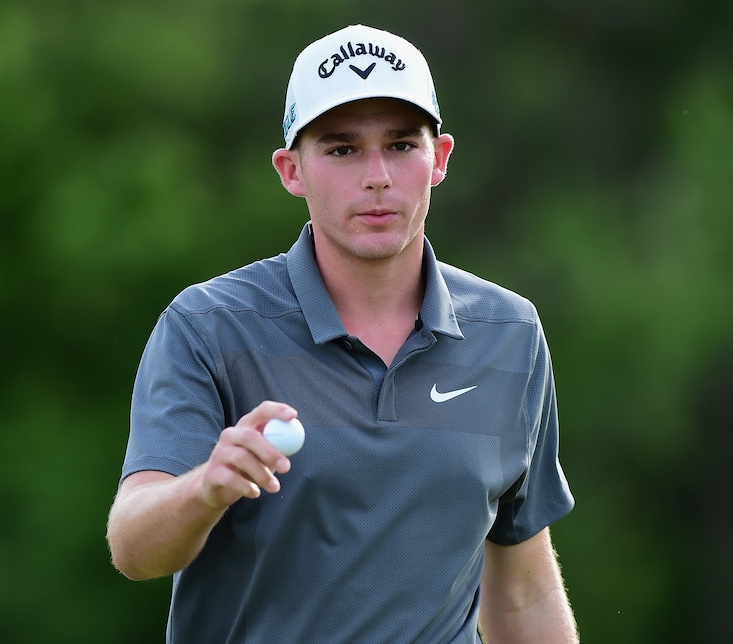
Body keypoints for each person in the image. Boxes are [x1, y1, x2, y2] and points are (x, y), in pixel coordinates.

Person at [107, 23, 577, 643]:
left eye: (401, 145)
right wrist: (205, 488)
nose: (377, 175)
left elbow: (521, 592)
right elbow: (134, 549)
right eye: (341, 149)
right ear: (291, 169)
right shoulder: (207, 326)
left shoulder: (508, 333)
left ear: (438, 160)